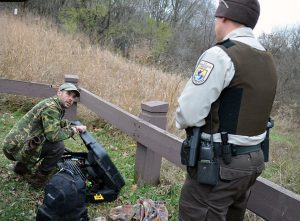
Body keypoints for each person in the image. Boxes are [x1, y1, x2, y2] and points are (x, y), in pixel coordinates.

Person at [176, 0, 277, 220]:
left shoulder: (220, 55)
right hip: (252, 161)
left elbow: (188, 113)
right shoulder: (267, 58)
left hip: (219, 166)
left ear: (223, 18)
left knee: (198, 213)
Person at [2, 82, 87, 188]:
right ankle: (38, 180)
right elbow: (53, 136)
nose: (71, 99)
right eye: (68, 94)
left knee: (44, 141)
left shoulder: (53, 104)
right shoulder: (51, 108)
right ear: (59, 93)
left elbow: (52, 123)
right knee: (58, 147)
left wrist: (68, 125)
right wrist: (73, 130)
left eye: (74, 97)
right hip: (15, 148)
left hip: (15, 144)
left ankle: (21, 168)